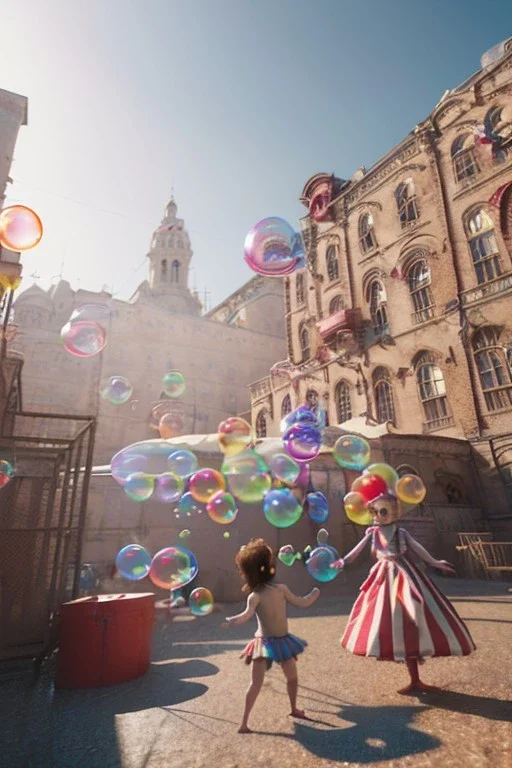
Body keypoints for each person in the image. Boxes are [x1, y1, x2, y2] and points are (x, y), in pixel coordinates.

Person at [331, 492, 476, 695]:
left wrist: (434, 562)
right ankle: (411, 675)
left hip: (404, 575)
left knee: (413, 615)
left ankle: (416, 677)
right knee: (387, 620)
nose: (379, 515)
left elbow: (417, 548)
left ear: (394, 512)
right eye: (375, 511)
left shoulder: (401, 532)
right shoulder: (372, 533)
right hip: (383, 578)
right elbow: (357, 550)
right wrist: (343, 561)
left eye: (384, 511)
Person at [223, 538, 320, 732]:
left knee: (263, 682)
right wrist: (314, 594)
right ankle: (246, 722)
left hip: (275, 642)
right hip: (268, 642)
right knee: (281, 679)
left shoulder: (259, 594)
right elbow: (301, 602)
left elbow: (246, 616)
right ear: (268, 567)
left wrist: (234, 619)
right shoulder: (272, 591)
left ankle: (250, 721)